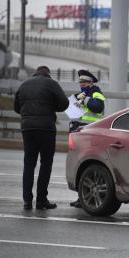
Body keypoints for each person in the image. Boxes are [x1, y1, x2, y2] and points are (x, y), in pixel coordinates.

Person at [14, 66, 69, 210]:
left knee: (28, 164)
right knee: (45, 164)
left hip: (27, 128)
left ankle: (27, 201)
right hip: (46, 129)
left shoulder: (24, 84)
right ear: (48, 74)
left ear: (36, 73)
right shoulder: (52, 84)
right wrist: (51, 107)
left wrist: (28, 114)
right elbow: (65, 103)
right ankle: (41, 200)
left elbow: (16, 107)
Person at [69, 69, 106, 208]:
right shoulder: (81, 94)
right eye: (80, 82)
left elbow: (97, 107)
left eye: (84, 82)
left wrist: (84, 99)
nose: (82, 85)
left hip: (90, 133)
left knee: (87, 166)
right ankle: (81, 197)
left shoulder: (97, 93)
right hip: (79, 132)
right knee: (78, 166)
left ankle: (85, 198)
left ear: (90, 83)